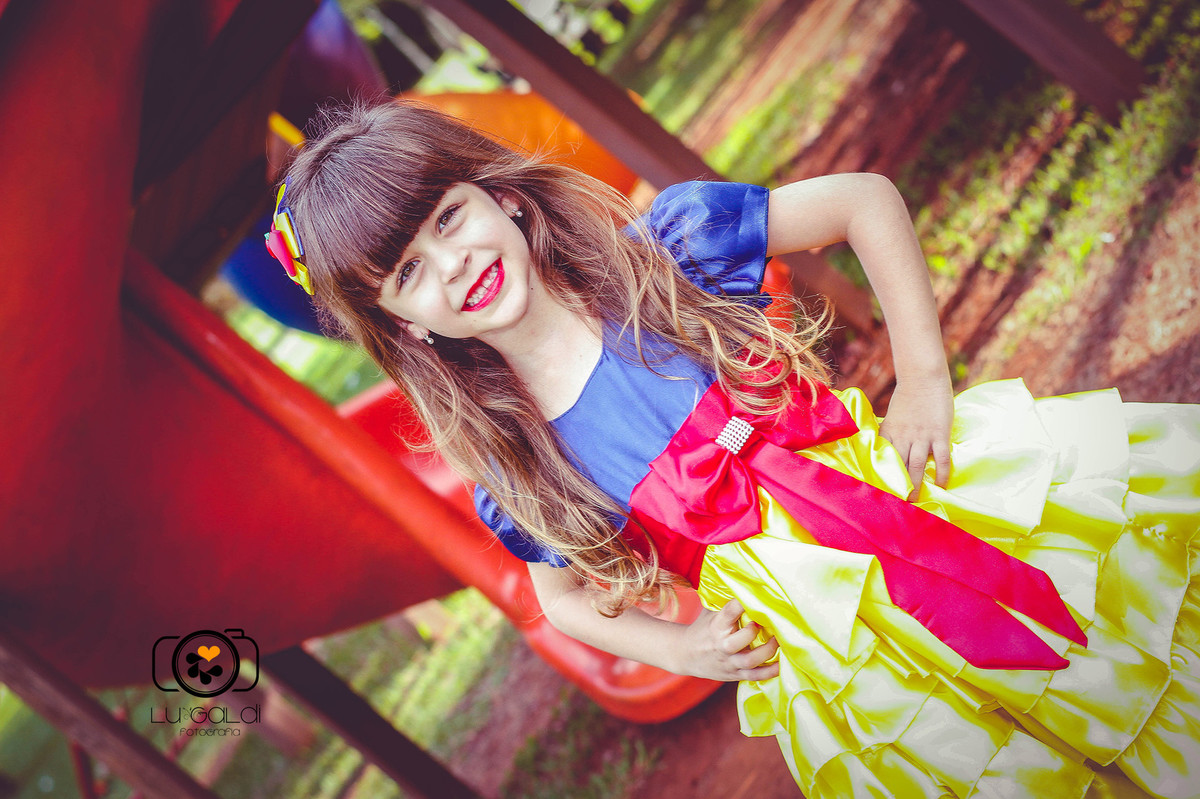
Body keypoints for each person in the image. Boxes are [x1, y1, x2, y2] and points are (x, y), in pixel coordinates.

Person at [266, 100, 1200, 798]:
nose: (454, 264)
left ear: (501, 196)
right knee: (997, 761)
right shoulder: (521, 463)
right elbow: (559, 601)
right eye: (409, 271)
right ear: (403, 323)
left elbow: (864, 202)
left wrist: (923, 377)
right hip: (839, 649)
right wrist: (684, 644)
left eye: (447, 218)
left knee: (1112, 631)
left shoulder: (667, 253)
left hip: (921, 494)